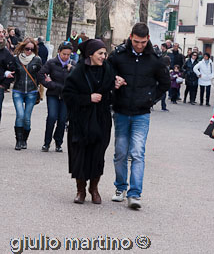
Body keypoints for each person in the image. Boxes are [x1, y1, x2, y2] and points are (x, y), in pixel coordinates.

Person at [109, 22, 171, 210]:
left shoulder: (155, 59)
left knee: (137, 152)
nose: (139, 45)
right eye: (136, 41)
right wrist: (114, 81)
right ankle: (120, 187)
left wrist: (151, 98)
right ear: (130, 37)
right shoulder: (118, 55)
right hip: (120, 110)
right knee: (120, 152)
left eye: (143, 42)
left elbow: (165, 83)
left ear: (148, 39)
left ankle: (134, 194)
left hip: (141, 113)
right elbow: (104, 73)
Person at [62, 39, 115, 204]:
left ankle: (94, 188)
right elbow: (67, 95)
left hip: (101, 119)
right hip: (81, 121)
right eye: (100, 53)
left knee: (97, 155)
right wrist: (88, 98)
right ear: (90, 54)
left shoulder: (108, 71)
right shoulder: (78, 72)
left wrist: (117, 87)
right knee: (80, 154)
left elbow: (111, 94)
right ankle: (80, 190)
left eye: (105, 53)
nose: (103, 56)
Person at [38, 42, 75, 152]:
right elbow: (41, 75)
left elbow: (79, 78)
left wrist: (72, 69)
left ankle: (58, 143)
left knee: (62, 120)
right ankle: (46, 143)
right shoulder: (51, 63)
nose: (66, 57)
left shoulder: (73, 65)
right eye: (64, 54)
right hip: (53, 94)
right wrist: (51, 84)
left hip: (66, 96)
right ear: (59, 52)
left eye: (68, 55)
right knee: (52, 117)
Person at [11, 37, 43, 150]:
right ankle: (18, 141)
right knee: (20, 115)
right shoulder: (16, 59)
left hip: (31, 91)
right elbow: (12, 71)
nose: (29, 51)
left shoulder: (37, 59)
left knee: (27, 118)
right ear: (22, 47)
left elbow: (40, 74)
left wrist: (42, 84)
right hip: (18, 90)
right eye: (27, 48)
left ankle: (24, 140)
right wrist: (8, 75)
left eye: (31, 49)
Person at [0, 25, 16, 129]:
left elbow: (13, 70)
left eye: (2, 32)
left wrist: (3, 85)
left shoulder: (5, 52)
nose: (2, 35)